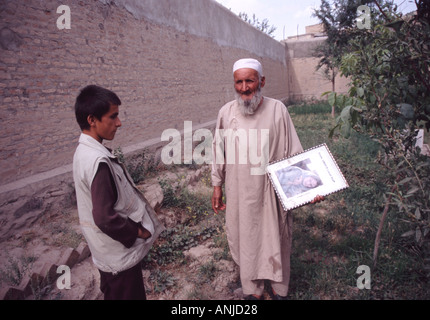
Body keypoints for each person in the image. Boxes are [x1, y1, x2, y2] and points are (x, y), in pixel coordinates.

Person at [211, 58, 323, 300]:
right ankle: (253, 289)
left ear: (261, 81)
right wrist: (216, 184)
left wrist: (310, 185)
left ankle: (279, 289)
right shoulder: (225, 113)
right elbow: (218, 151)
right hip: (240, 191)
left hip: (271, 191)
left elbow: (294, 152)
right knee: (246, 237)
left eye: (249, 81)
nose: (244, 88)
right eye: (238, 82)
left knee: (276, 236)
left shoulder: (277, 110)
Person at [73, 85, 164, 300]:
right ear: (92, 120)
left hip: (107, 255)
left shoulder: (84, 152)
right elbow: (104, 217)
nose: (119, 123)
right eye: (113, 117)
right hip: (118, 258)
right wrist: (138, 232)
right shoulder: (98, 161)